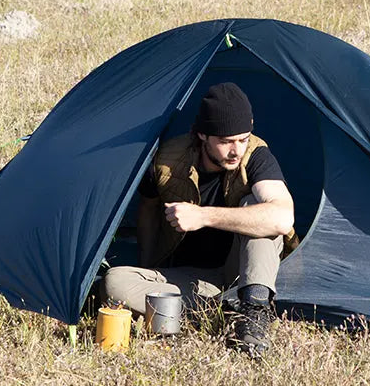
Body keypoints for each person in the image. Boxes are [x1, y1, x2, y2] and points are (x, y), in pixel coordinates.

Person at [103, 82, 295, 356]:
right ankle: (224, 309)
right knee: (114, 281)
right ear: (203, 135)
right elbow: (146, 210)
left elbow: (282, 218)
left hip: (242, 271)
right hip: (191, 281)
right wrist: (147, 267)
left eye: (242, 138)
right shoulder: (167, 161)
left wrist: (202, 216)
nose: (236, 151)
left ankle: (252, 314)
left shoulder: (256, 155)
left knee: (260, 209)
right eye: (226, 141)